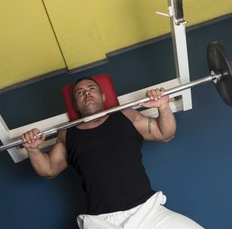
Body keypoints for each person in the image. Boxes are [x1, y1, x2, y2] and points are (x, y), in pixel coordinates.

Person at [22, 77, 203, 229]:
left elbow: (166, 133)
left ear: (102, 95)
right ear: (76, 104)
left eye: (91, 88)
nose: (86, 93)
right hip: (101, 222)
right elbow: (48, 170)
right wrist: (32, 149)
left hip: (147, 211)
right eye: (80, 92)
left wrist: (163, 106)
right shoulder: (67, 134)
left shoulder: (126, 116)